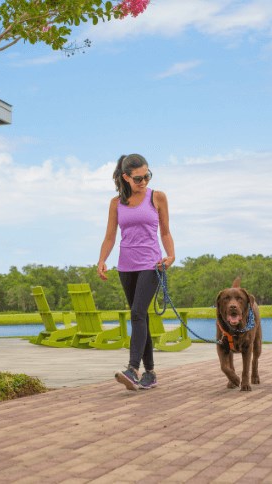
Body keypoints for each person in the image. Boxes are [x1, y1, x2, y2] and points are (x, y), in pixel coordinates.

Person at [97, 153, 175, 391]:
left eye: (147, 176)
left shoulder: (158, 197)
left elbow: (165, 232)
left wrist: (171, 256)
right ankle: (150, 373)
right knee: (140, 316)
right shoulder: (116, 203)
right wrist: (102, 260)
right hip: (126, 266)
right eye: (139, 178)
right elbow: (110, 236)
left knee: (138, 313)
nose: (144, 182)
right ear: (126, 177)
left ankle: (133, 369)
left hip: (151, 265)